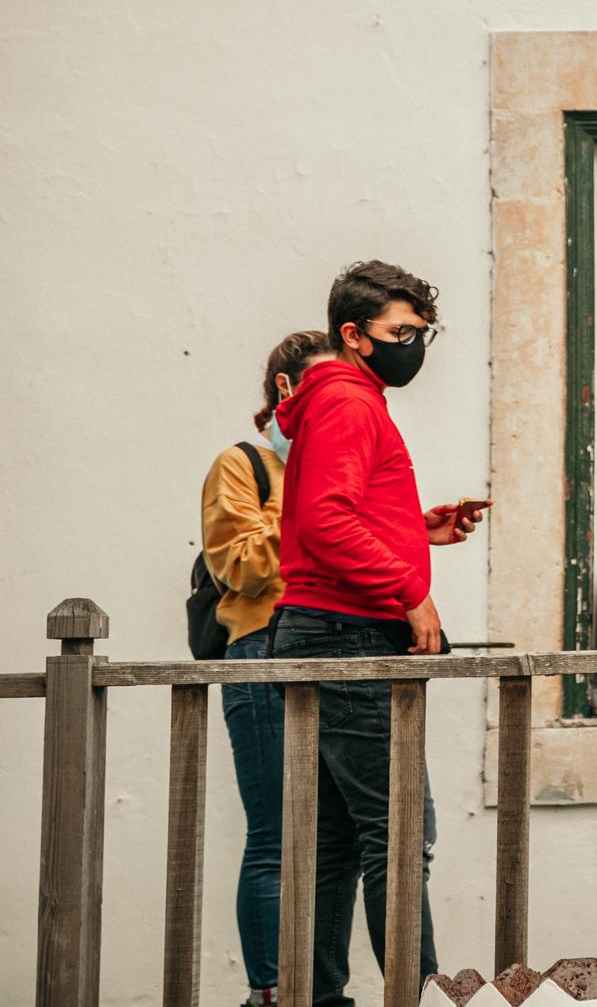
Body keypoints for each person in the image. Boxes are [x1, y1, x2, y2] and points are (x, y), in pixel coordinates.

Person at [268, 261, 484, 1006]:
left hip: (321, 626)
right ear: (353, 335)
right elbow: (326, 523)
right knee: (397, 835)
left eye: (422, 333)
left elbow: (336, 513)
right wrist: (411, 590)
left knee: (336, 842)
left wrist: (419, 531)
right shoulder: (351, 404)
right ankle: (415, 997)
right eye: (400, 333)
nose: (413, 347)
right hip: (350, 632)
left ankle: (322, 996)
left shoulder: (339, 400)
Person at [200, 329, 344, 1007]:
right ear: (284, 391)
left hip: (332, 651)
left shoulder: (340, 462)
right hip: (260, 650)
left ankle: (316, 985)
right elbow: (240, 563)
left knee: (337, 833)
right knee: (276, 832)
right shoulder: (243, 465)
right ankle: (271, 990)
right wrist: (314, 509)